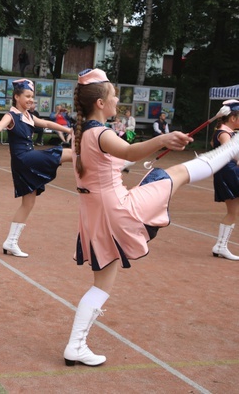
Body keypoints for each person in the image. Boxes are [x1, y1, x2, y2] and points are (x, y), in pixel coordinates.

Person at [63, 68, 239, 367]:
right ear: (101, 103)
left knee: (101, 284)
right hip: (118, 211)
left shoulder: (83, 135)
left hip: (96, 214)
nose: (117, 98)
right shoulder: (100, 133)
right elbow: (131, 152)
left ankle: (75, 345)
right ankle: (234, 146)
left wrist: (145, 154)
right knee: (178, 174)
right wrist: (164, 140)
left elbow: (114, 163)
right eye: (113, 94)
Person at [0, 79, 73, 257]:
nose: (31, 100)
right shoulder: (11, 116)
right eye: (27, 96)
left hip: (25, 161)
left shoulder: (29, 116)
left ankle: (10, 242)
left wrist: (69, 130)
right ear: (16, 97)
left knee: (28, 203)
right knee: (68, 154)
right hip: (24, 158)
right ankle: (101, 164)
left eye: (32, 97)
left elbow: (47, 124)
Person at [210, 99, 239, 260]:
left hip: (228, 172)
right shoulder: (224, 133)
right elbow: (230, 153)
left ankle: (221, 246)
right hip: (229, 173)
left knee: (233, 212)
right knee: (232, 212)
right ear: (233, 118)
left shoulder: (223, 131)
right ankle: (221, 246)